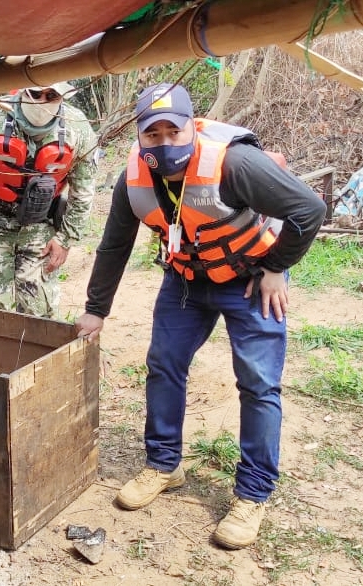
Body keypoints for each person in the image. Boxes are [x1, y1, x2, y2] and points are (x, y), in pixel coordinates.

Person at [75, 83, 326, 549]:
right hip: (187, 279)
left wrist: (275, 268)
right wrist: (96, 310)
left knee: (257, 383)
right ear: (139, 136)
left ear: (193, 126)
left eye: (176, 130)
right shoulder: (131, 179)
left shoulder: (234, 163)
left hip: (251, 278)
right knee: (163, 364)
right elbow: (115, 244)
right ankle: (163, 465)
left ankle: (252, 495)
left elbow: (309, 209)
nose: (166, 143)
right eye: (154, 135)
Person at [0, 81, 98, 318]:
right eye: (36, 94)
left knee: (37, 306)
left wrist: (66, 238)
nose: (42, 102)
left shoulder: (78, 129)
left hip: (41, 222)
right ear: (24, 90)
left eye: (51, 95)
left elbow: (84, 189)